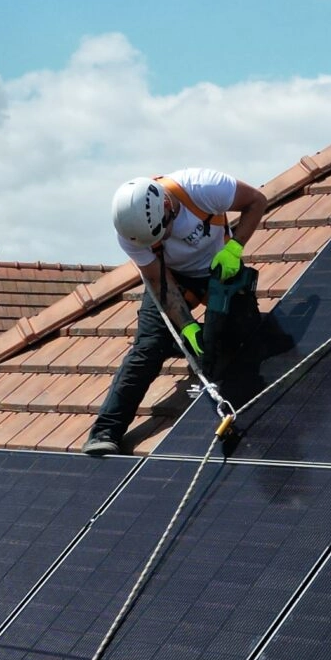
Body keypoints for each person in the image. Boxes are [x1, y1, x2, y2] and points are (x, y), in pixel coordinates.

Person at [84, 169, 269, 457]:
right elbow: (159, 281)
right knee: (148, 347)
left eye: (164, 231)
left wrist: (234, 248)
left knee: (243, 339)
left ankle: (199, 345)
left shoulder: (204, 187)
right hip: (173, 279)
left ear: (167, 206)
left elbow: (257, 201)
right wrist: (186, 327)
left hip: (219, 270)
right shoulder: (131, 235)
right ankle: (106, 430)